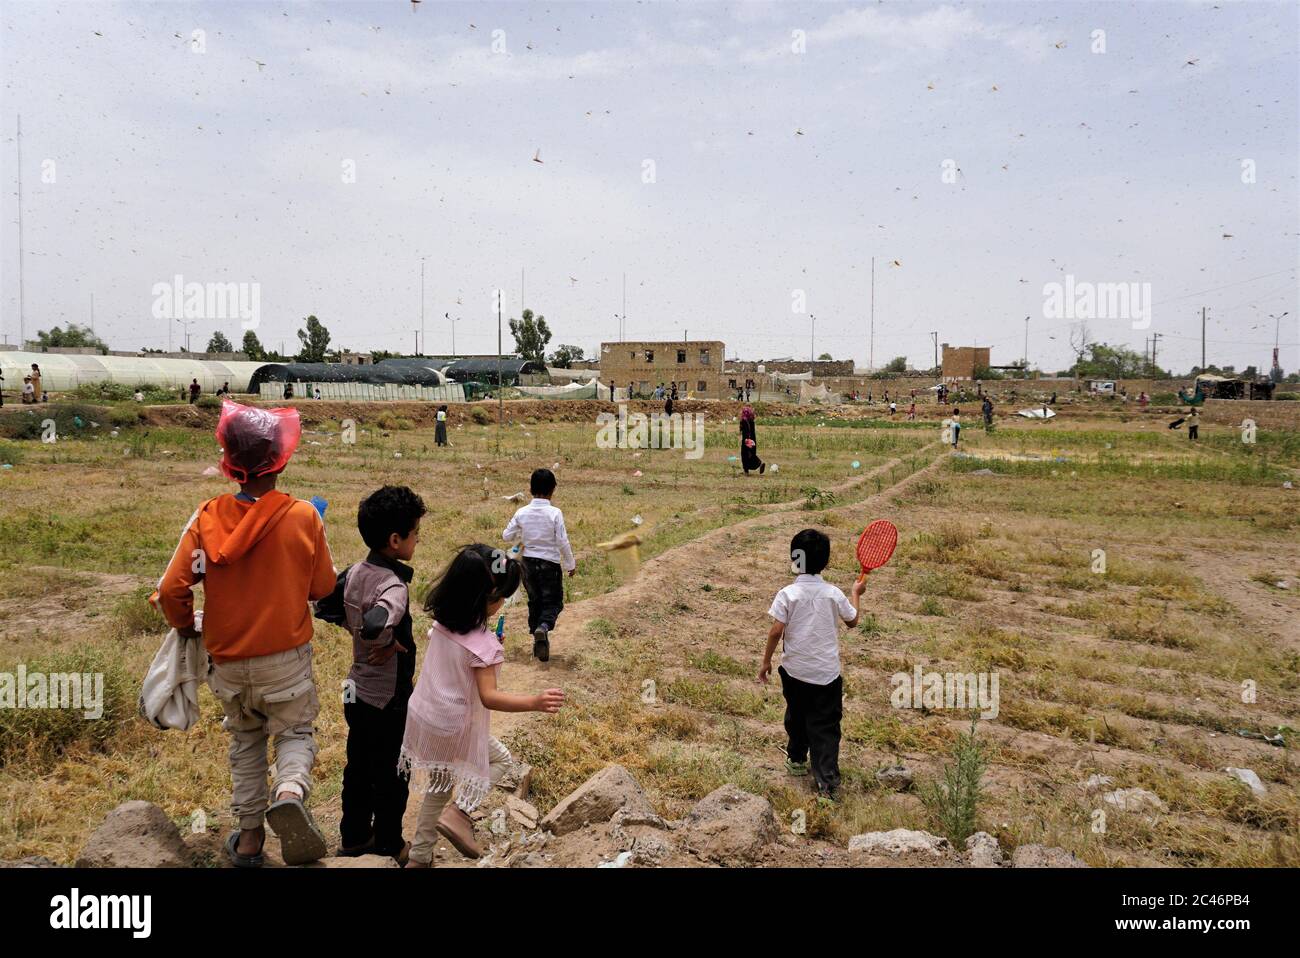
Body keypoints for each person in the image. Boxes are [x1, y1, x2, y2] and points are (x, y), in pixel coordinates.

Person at [155, 400, 337, 867]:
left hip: (228, 662)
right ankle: (291, 789)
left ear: (229, 462)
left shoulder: (206, 517)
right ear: (282, 457)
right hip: (286, 658)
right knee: (294, 730)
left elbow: (172, 588)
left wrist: (185, 627)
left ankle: (251, 838)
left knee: (246, 740)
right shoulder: (303, 516)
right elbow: (322, 588)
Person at [401, 545, 565, 865]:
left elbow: (459, 660)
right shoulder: (483, 645)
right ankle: (460, 811)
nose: (503, 602)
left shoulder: (442, 624)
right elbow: (489, 697)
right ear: (487, 598)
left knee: (437, 787)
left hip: (424, 713)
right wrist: (534, 701)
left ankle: (420, 855)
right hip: (453, 723)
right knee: (501, 761)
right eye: (502, 596)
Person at [315, 485, 426, 864]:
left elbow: (325, 605)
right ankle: (389, 844)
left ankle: (354, 837)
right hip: (388, 697)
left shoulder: (353, 572)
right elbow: (380, 617)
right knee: (394, 770)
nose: (417, 539)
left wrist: (354, 627)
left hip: (355, 690)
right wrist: (378, 635)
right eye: (414, 533)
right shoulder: (394, 585)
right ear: (395, 541)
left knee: (358, 763)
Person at [759, 529, 864, 802]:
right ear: (825, 562)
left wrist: (766, 661)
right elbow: (852, 621)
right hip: (826, 674)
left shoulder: (787, 594)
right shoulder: (833, 593)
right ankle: (827, 782)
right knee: (826, 726)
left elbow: (775, 631)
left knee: (796, 715)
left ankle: (796, 759)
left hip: (794, 672)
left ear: (794, 559)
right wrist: (856, 593)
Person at [503, 468, 575, 662]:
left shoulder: (522, 512)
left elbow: (506, 535)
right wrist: (570, 564)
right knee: (553, 602)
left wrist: (522, 534)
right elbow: (562, 541)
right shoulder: (555, 513)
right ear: (553, 490)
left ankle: (539, 640)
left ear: (530, 489)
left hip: (527, 565)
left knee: (535, 601)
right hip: (549, 565)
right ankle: (542, 628)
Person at [740, 405, 765, 476]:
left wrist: (746, 440)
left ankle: (746, 471)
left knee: (744, 455)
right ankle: (759, 464)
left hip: (747, 440)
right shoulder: (751, 420)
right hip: (753, 440)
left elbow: (746, 432)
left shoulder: (744, 421)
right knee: (751, 455)